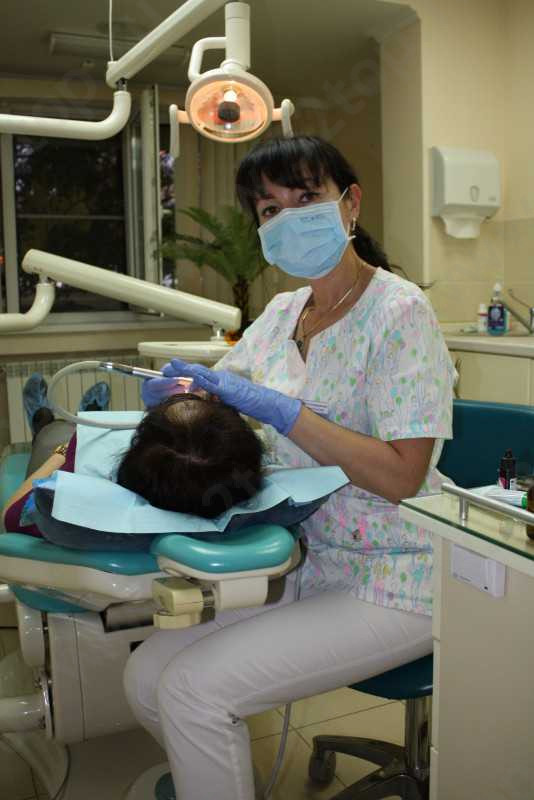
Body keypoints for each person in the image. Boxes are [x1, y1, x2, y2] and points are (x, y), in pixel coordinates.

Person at [127, 135, 456, 800]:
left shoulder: (399, 313)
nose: (290, 218)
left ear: (350, 203)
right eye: (270, 209)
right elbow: (222, 400)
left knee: (194, 691)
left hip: (399, 573)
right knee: (144, 679)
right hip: (307, 556)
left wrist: (284, 411)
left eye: (307, 197)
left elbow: (402, 476)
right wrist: (183, 396)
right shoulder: (282, 313)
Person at [3, 386, 264, 533]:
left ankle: (43, 424)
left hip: (66, 447)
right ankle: (87, 412)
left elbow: (11, 515)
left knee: (53, 435)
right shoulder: (231, 485)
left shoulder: (81, 486)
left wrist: (65, 451)